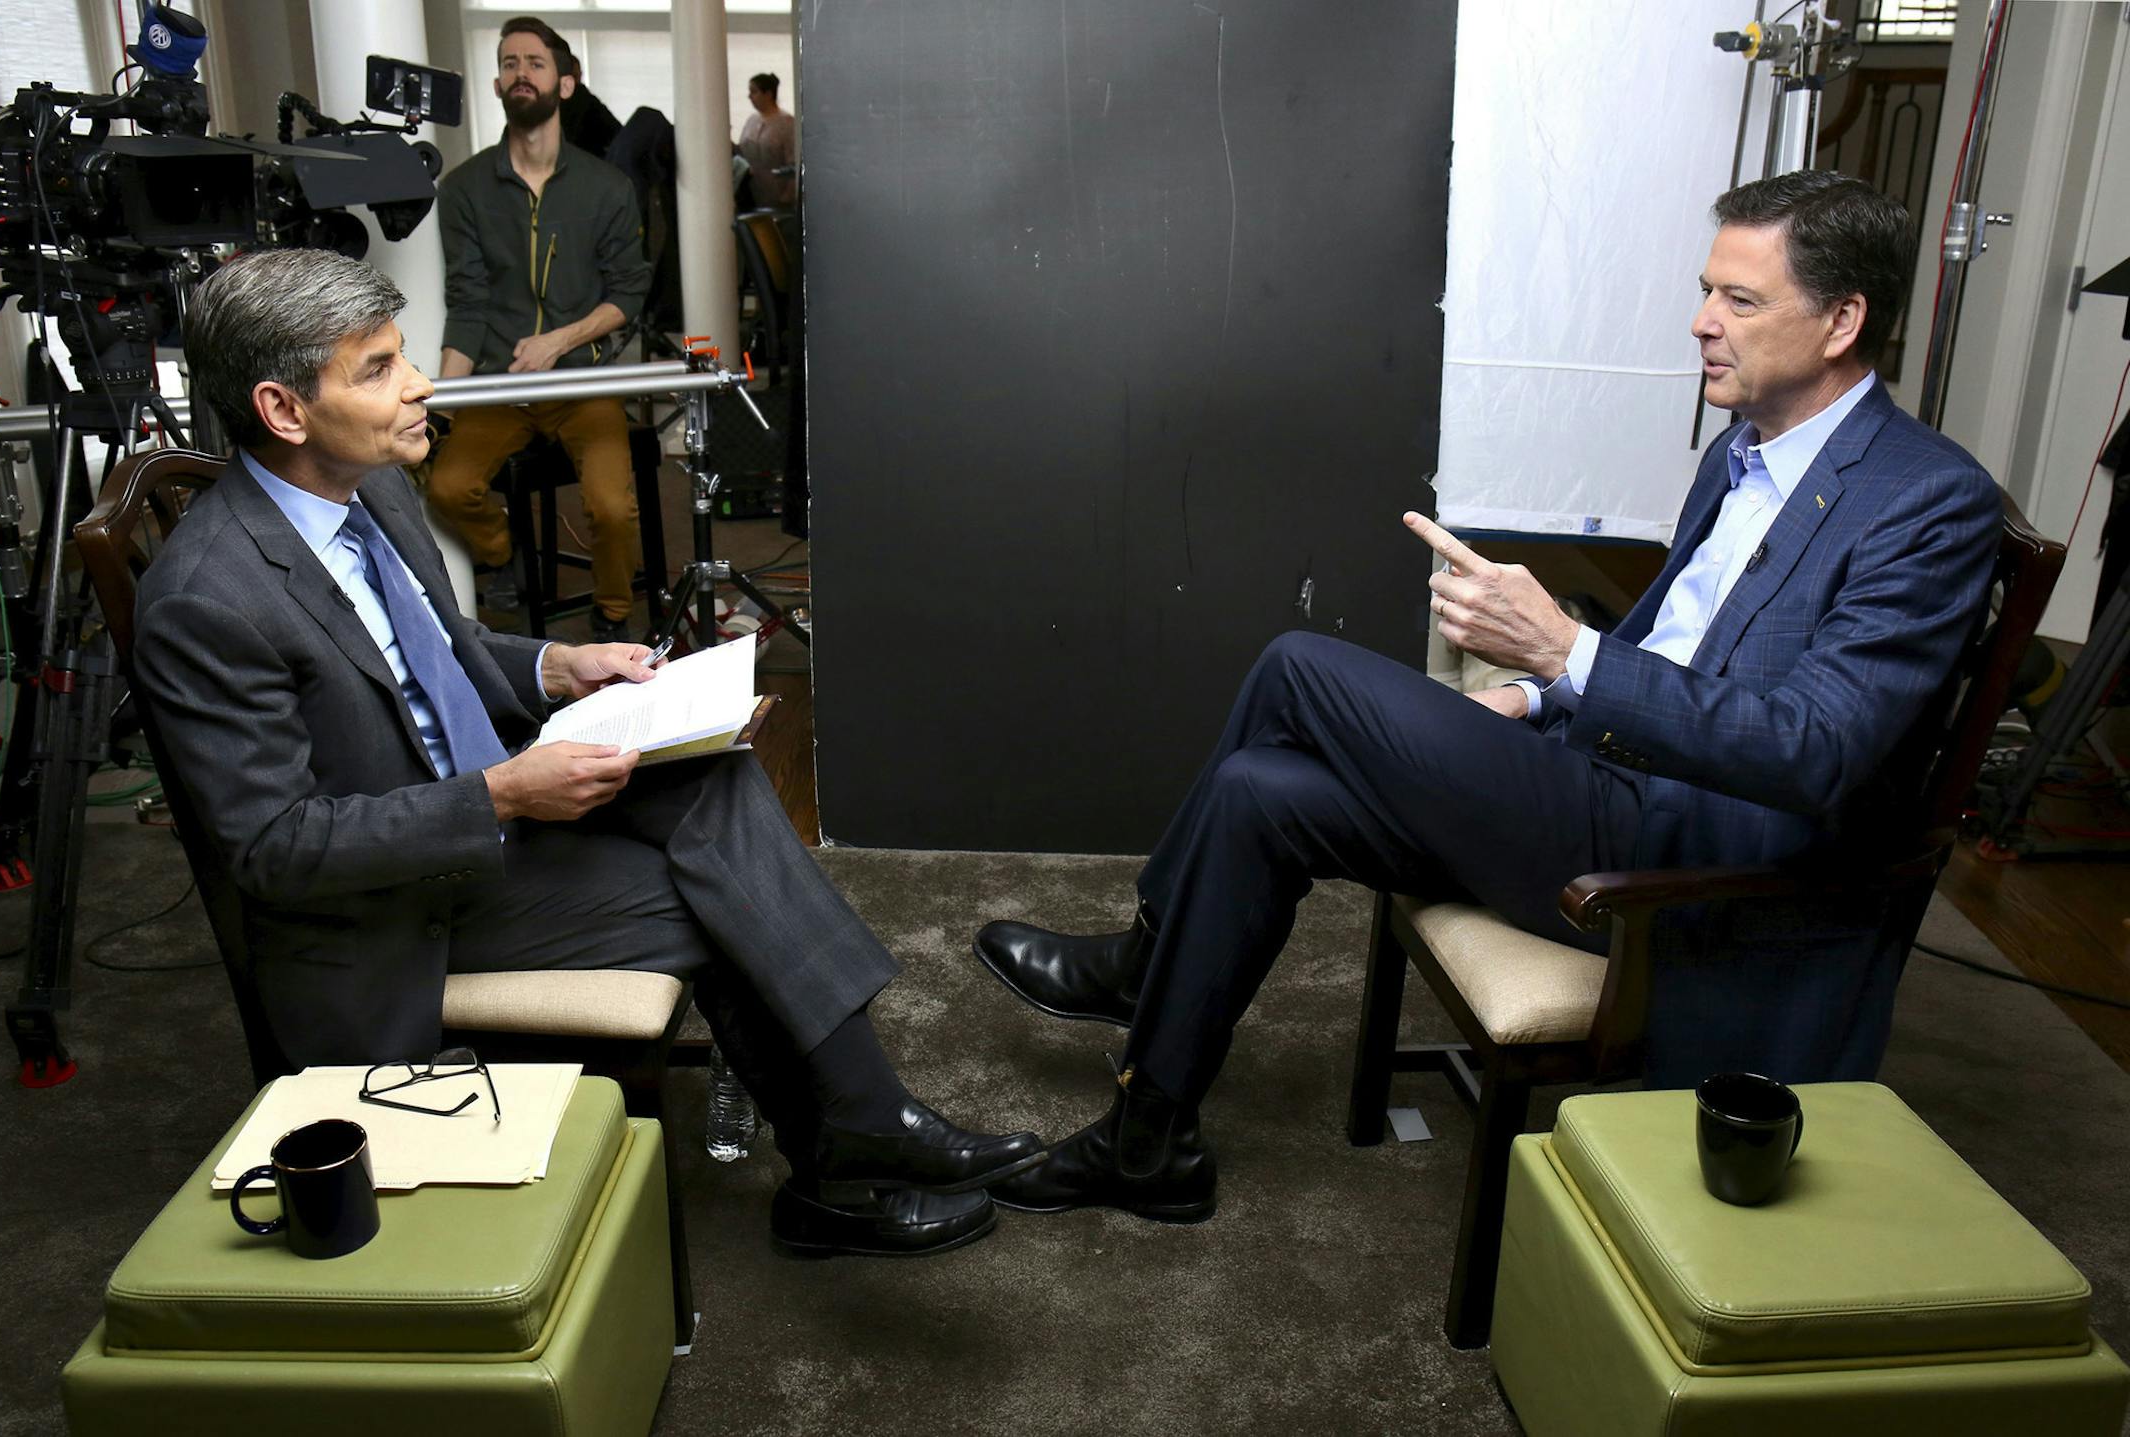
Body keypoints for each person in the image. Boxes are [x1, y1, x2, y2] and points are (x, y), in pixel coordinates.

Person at [973, 171, 2002, 1224]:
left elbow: (1820, 748)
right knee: (1254, 790)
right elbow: (1667, 647)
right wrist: (1528, 695)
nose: (1701, 324)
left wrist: (1567, 654)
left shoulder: (1927, 501)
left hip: (1696, 855)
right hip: (1600, 781)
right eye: (1707, 292)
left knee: (1298, 663)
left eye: (1740, 302)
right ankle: (1151, 1144)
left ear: (1842, 321)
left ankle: (1149, 961)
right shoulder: (1740, 457)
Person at [136, 249, 1043, 1258]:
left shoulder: (372, 487)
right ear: (283, 409)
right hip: (391, 911)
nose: (420, 384)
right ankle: (851, 1160)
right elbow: (275, 849)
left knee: (720, 780)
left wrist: (562, 668)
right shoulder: (203, 600)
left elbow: (448, 650)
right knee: (723, 897)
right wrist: (502, 798)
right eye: (380, 368)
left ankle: (857, 1144)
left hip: (480, 821)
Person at [426, 15, 648, 643]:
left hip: (581, 381)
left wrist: (561, 340)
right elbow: (466, 302)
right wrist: (443, 402)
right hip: (500, 384)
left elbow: (628, 292)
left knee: (610, 506)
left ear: (566, 84)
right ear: (497, 84)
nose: (521, 72)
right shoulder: (464, 188)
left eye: (535, 62)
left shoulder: (607, 186)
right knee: (446, 486)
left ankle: (612, 615)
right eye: (509, 62)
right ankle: (506, 556)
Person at [736, 72, 797, 210]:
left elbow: (793, 161)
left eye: (754, 92)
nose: (750, 97)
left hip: (776, 192)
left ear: (768, 94)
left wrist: (788, 194)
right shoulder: (752, 120)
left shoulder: (786, 123)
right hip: (750, 190)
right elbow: (741, 151)